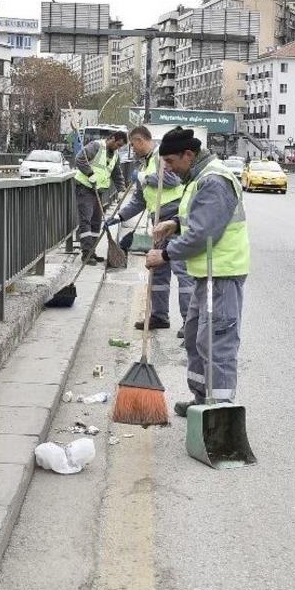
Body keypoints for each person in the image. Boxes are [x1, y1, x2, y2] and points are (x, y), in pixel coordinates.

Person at [145, 127, 250, 417]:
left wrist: (164, 254)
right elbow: (200, 217)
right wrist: (175, 224)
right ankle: (201, 399)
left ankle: (220, 412)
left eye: (171, 161)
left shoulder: (214, 180)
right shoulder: (199, 177)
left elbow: (204, 233)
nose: (168, 168)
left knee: (217, 343)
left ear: (188, 155)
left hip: (222, 274)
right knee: (194, 337)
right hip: (207, 274)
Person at [106, 126, 195, 334]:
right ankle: (159, 316)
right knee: (158, 271)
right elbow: (139, 200)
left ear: (140, 140)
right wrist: (120, 216)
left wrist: (144, 178)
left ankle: (189, 322)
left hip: (173, 219)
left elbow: (172, 180)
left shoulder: (161, 157)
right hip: (157, 223)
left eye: (133, 144)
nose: (132, 149)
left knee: (182, 271)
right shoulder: (144, 164)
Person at [74, 130, 127, 264]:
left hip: (99, 191)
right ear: (112, 138)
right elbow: (80, 159)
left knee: (96, 222)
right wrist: (89, 173)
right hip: (85, 188)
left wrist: (121, 190)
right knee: (86, 221)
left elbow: (117, 174)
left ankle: (92, 251)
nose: (118, 148)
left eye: (121, 146)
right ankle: (86, 254)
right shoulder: (96, 146)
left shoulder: (115, 155)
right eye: (118, 144)